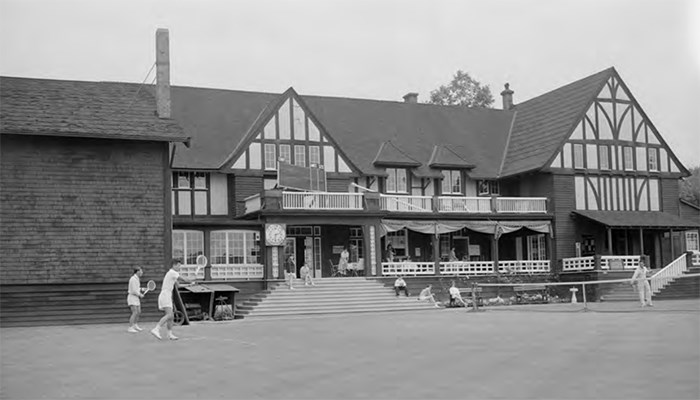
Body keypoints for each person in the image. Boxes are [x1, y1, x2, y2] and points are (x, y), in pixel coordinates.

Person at [151, 259, 192, 341]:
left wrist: (190, 283)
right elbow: (184, 279)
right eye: (179, 266)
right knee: (169, 315)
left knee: (171, 316)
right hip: (165, 295)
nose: (179, 268)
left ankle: (170, 334)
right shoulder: (172, 272)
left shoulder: (172, 274)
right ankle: (156, 329)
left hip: (167, 295)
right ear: (174, 265)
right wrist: (192, 278)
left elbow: (178, 284)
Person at [126, 266, 145, 333]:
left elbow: (137, 288)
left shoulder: (137, 279)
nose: (142, 272)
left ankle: (135, 325)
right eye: (141, 271)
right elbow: (133, 290)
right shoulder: (133, 279)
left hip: (136, 298)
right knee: (134, 312)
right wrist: (140, 295)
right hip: (132, 297)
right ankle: (130, 327)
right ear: (137, 272)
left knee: (138, 312)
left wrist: (142, 289)